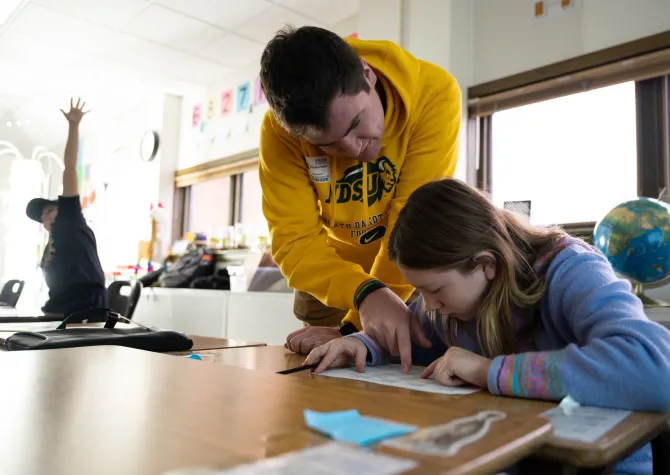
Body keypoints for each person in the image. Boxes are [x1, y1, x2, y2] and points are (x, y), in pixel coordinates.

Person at [305, 178, 670, 475]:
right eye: (419, 291)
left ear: (486, 264)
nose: (426, 304)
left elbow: (654, 370)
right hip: (505, 453)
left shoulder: (571, 269)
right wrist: (364, 344)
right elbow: (412, 338)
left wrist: (488, 371)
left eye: (434, 290)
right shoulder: (452, 302)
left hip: (598, 464)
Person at [259, 26, 461, 364]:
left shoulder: (433, 93)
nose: (353, 151)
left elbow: (415, 222)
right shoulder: (278, 134)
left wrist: (355, 324)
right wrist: (361, 293)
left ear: (368, 75)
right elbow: (294, 241)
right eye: (328, 145)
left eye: (355, 124)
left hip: (408, 272)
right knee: (320, 381)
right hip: (327, 276)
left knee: (402, 383)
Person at [26, 98, 106, 319]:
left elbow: (69, 167)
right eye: (42, 216)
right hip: (58, 309)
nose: (47, 216)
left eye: (50, 209)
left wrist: (73, 125)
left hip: (83, 309)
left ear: (61, 208)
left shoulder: (70, 218)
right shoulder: (51, 243)